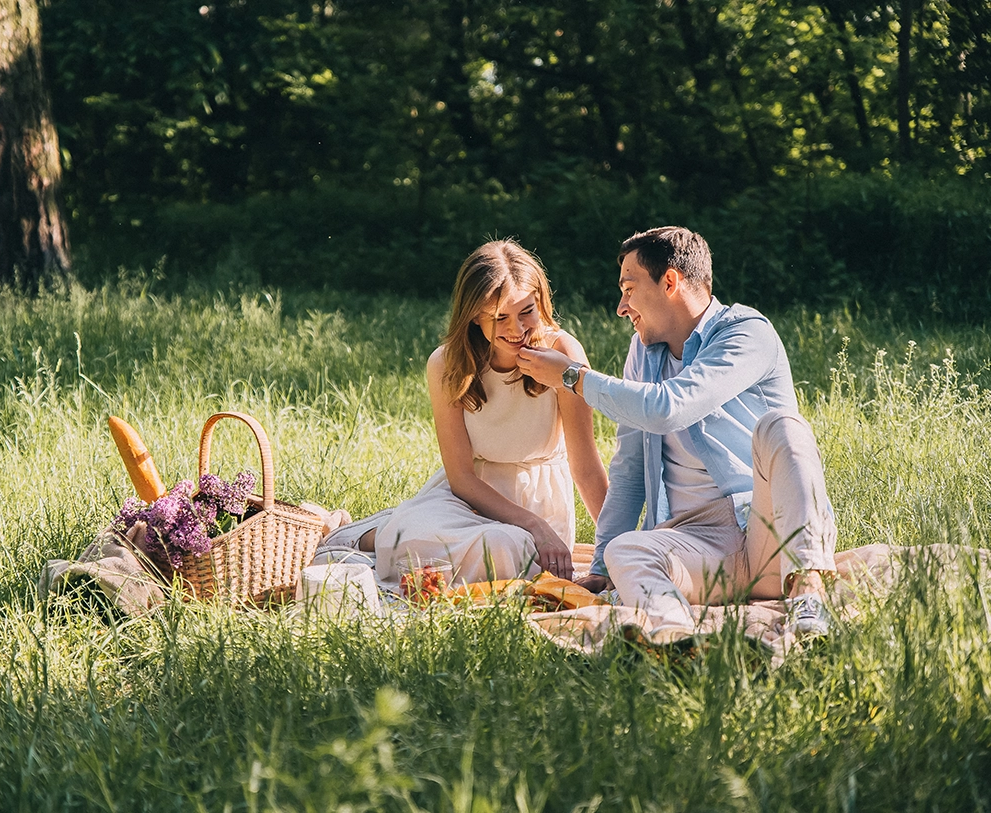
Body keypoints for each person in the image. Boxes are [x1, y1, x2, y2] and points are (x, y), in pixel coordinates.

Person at [517, 226, 837, 640]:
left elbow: (671, 407)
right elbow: (630, 468)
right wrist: (599, 568)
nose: (621, 307)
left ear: (669, 281)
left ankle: (807, 594)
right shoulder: (642, 352)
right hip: (698, 546)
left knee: (784, 427)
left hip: (767, 530)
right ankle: (679, 637)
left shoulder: (746, 333)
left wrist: (574, 378)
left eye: (629, 289)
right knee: (623, 551)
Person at [322, 239, 609, 586]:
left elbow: (586, 467)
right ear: (475, 316)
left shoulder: (563, 352)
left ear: (541, 302)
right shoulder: (447, 364)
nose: (517, 330)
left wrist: (613, 549)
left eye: (526, 312)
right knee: (436, 538)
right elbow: (461, 478)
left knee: (508, 549)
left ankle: (391, 528)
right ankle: (367, 534)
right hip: (467, 498)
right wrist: (535, 527)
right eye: (500, 317)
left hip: (538, 504)